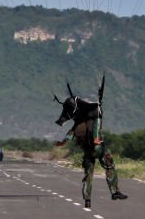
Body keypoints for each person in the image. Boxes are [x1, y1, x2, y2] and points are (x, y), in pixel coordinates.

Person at [54, 80, 127, 209]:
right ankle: (115, 192)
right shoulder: (95, 114)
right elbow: (96, 130)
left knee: (88, 174)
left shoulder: (77, 123)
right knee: (110, 166)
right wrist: (96, 139)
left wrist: (61, 143)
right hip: (98, 147)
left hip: (87, 151)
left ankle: (87, 200)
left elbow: (68, 136)